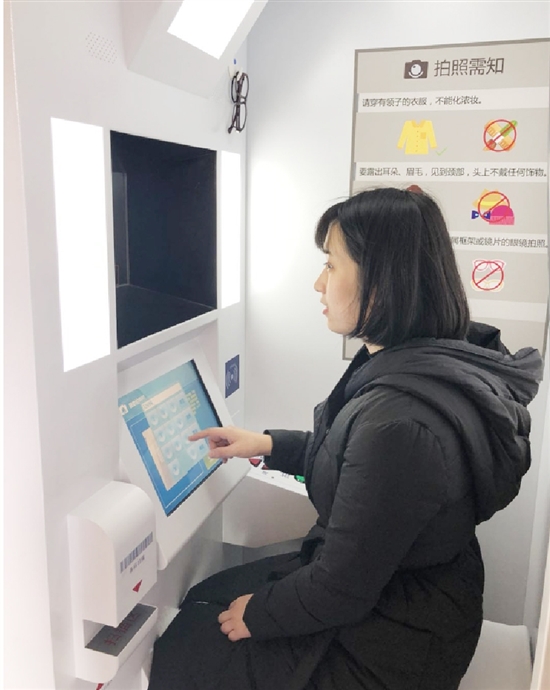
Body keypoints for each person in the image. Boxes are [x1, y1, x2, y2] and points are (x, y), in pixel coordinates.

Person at [147, 187, 543, 690]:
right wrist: (268, 444)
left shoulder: (401, 424)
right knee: (206, 596)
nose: (319, 283)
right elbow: (351, 458)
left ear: (381, 281)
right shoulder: (423, 360)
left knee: (186, 647)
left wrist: (260, 614)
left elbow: (341, 588)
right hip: (408, 591)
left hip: (399, 640)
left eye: (331, 265)